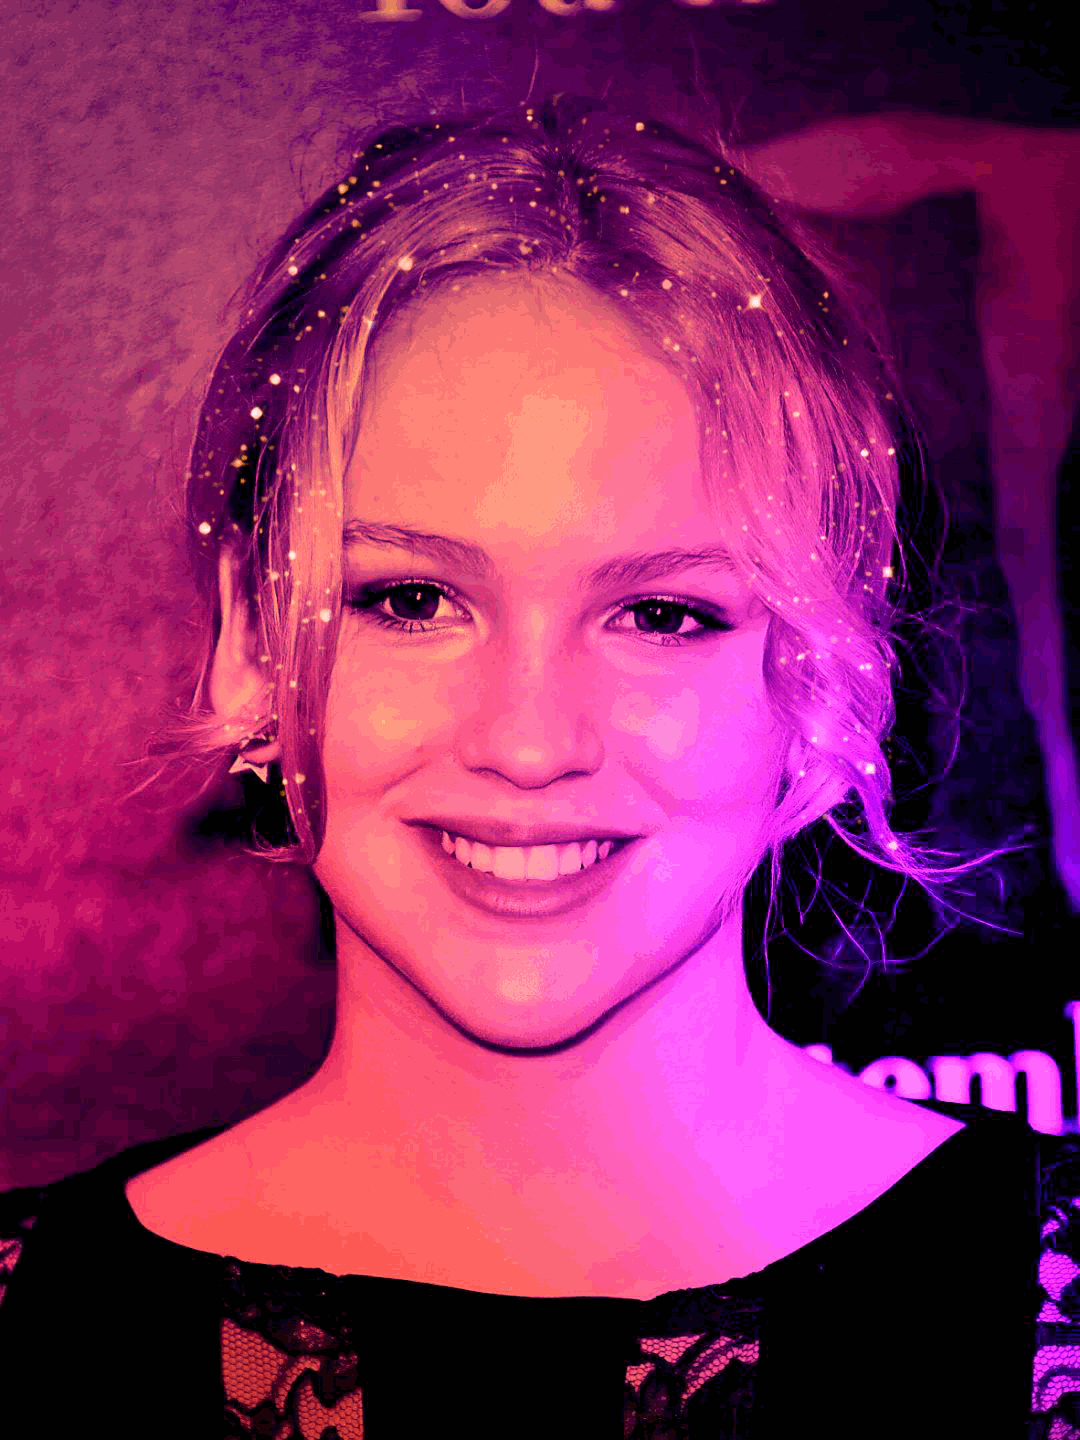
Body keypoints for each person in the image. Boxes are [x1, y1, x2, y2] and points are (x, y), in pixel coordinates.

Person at [0, 91, 1075, 1439]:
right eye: (410, 600)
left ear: (821, 672)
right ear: (250, 644)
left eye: (662, 614)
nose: (527, 740)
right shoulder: (26, 1329)